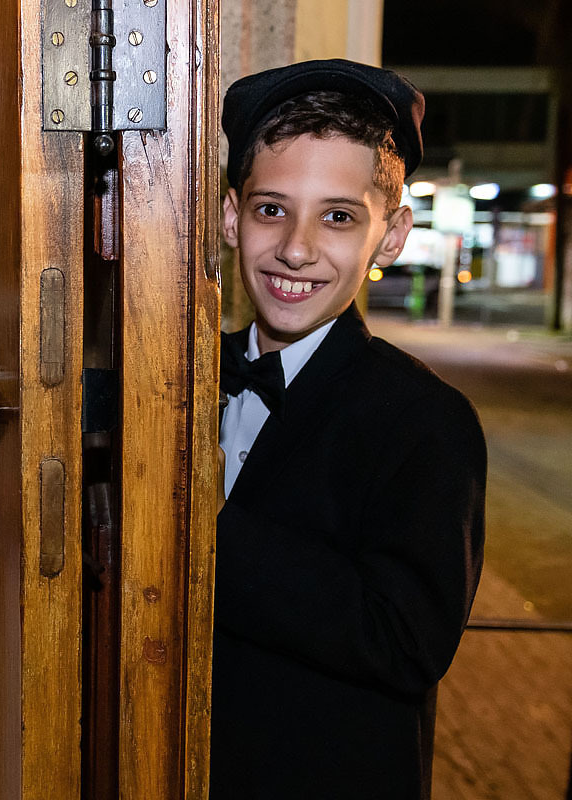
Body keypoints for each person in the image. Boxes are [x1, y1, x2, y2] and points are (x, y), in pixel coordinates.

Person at [213, 59, 486, 799]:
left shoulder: (426, 422)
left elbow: (407, 641)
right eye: (273, 209)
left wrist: (199, 530)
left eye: (338, 216)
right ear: (232, 216)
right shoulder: (178, 386)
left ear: (390, 236)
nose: (297, 249)